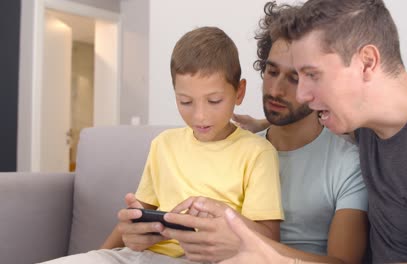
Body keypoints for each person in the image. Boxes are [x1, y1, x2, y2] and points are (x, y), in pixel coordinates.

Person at [217, 0, 407, 263]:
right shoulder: (364, 122)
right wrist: (261, 125)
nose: (301, 94)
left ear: (367, 63)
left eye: (312, 75)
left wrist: (268, 255)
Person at [41, 26, 284, 263]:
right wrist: (103, 250)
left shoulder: (257, 152)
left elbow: (268, 238)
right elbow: (139, 215)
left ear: (239, 92)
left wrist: (225, 216)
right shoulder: (164, 144)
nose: (200, 116)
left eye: (214, 100)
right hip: (139, 255)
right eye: (186, 102)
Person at [151, 3, 368, 263]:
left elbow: (343, 263)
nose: (275, 90)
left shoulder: (347, 163)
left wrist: (249, 246)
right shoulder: (240, 148)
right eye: (272, 71)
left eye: (294, 78)